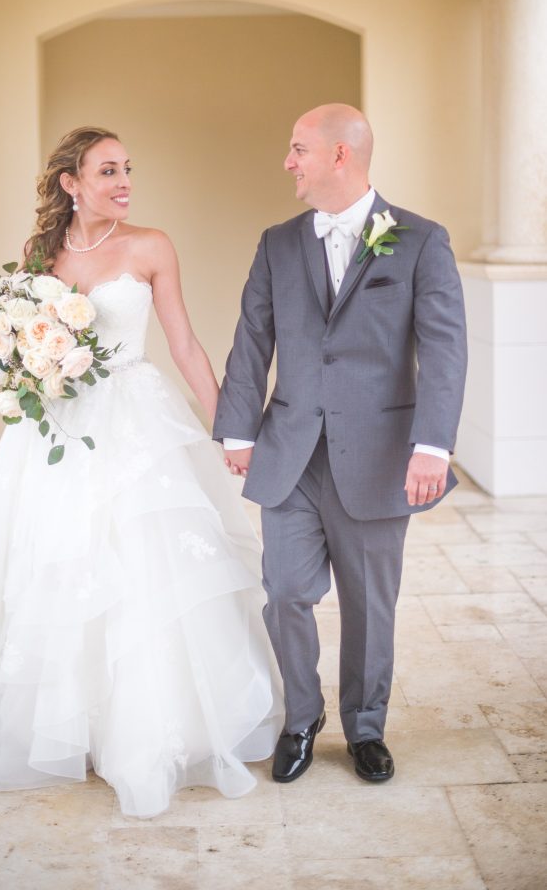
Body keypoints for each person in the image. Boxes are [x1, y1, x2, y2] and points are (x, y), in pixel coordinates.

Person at [0, 126, 283, 819]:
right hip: (54, 431)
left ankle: (151, 725)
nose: (123, 182)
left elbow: (182, 343)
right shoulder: (38, 256)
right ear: (71, 183)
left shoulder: (151, 246)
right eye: (108, 170)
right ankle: (69, 723)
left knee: (145, 565)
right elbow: (21, 345)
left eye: (127, 170)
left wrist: (230, 430)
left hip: (136, 420)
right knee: (54, 565)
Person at [214, 104, 466, 784]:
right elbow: (251, 340)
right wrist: (238, 429)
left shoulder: (419, 240)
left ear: (339, 157)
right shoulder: (276, 243)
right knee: (286, 591)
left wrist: (433, 446)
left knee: (368, 602)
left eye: (299, 148)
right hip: (290, 451)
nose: (288, 161)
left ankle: (364, 726)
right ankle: (301, 718)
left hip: (381, 456)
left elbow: (444, 351)